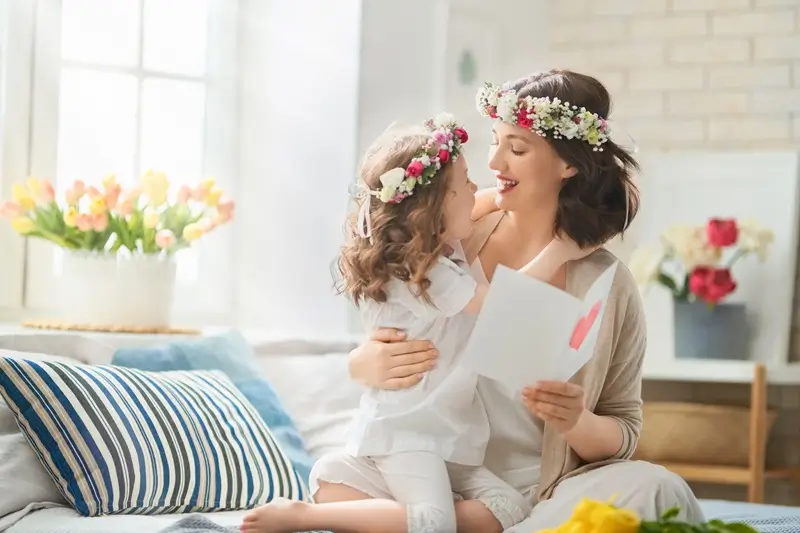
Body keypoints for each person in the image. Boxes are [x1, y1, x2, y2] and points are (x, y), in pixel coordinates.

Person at [311, 69, 707, 532]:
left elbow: (622, 431)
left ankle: (442, 524)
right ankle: (448, 521)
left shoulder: (607, 284)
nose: (495, 161)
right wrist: (361, 364)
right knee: (328, 476)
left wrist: (576, 420)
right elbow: (389, 300)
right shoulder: (452, 240)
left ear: (569, 165)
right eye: (495, 141)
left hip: (540, 490)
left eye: (517, 149)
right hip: (432, 467)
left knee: (656, 488)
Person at [243, 114, 593, 533]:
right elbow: (503, 304)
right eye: (464, 183)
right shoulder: (423, 274)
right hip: (411, 434)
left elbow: (486, 200)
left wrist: (524, 192)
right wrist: (561, 249)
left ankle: (358, 492)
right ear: (436, 208)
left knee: (508, 508)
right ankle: (310, 516)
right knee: (432, 523)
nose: (475, 188)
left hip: (449, 437)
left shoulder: (445, 248)